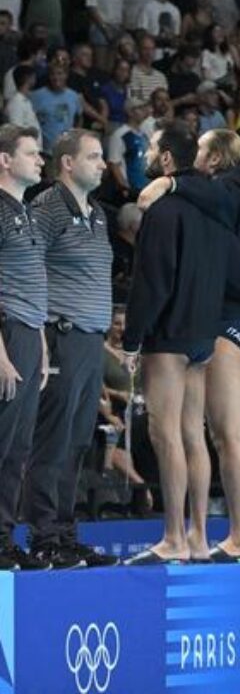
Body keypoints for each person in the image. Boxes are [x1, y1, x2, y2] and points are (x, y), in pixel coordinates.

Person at [121, 122, 240, 564]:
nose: (148, 156)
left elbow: (150, 283)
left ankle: (173, 536)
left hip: (168, 335)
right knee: (192, 435)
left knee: (166, 434)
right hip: (203, 336)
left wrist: (133, 340)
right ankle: (200, 537)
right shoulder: (214, 213)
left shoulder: (163, 211)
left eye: (153, 149)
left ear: (168, 159)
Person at [23, 129, 117, 569]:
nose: (103, 164)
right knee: (53, 441)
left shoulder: (97, 212)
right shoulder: (46, 207)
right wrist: (39, 334)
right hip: (60, 336)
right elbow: (24, 265)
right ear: (67, 163)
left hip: (91, 341)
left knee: (78, 443)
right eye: (94, 157)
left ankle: (65, 532)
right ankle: (44, 537)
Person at [0, 126, 49, 570]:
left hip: (29, 335)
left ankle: (4, 540)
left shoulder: (28, 212)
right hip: (6, 335)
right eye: (31, 153)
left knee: (18, 448)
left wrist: (41, 343)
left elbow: (33, 284)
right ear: (4, 159)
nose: (40, 160)